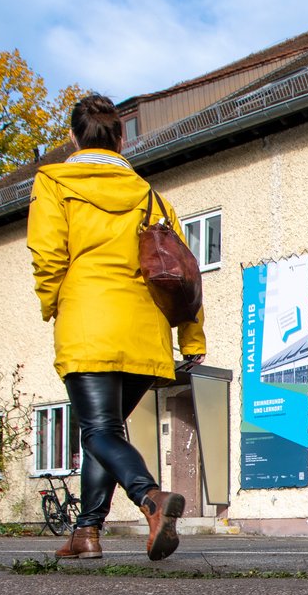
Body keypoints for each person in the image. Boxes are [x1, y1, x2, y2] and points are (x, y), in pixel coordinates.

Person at [28, 94, 203, 561]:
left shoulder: (54, 182)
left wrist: (53, 305)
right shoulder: (152, 197)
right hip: (146, 334)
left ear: (72, 137)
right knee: (104, 433)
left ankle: (150, 497)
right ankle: (86, 534)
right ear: (122, 139)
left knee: (99, 431)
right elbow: (183, 274)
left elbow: (48, 257)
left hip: (90, 326)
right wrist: (192, 338)